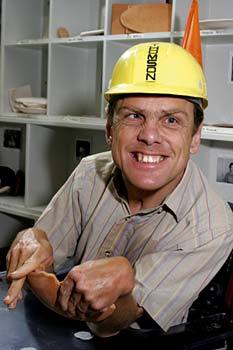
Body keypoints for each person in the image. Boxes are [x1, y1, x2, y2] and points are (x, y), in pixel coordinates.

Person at [3, 42, 233, 338]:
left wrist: (127, 278)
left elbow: (118, 320)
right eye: (134, 115)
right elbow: (40, 258)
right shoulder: (90, 172)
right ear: (110, 129)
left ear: (195, 137)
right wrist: (30, 238)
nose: (149, 135)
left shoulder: (214, 226)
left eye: (172, 120)